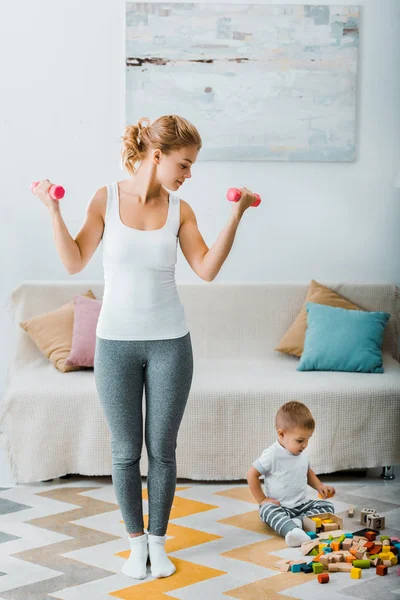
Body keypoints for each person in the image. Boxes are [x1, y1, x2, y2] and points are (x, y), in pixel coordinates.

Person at [32, 114, 258, 579]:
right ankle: (136, 546)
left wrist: (237, 215)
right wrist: (52, 210)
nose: (189, 173)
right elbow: (74, 262)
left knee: (163, 449)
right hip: (115, 343)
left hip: (170, 344)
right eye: (185, 163)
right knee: (124, 450)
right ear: (158, 156)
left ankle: (160, 542)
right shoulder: (106, 199)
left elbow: (207, 269)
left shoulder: (181, 210)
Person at [246, 400, 336, 547]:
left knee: (328, 506)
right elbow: (252, 474)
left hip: (302, 505)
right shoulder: (272, 454)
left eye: (308, 439)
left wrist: (319, 486)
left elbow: (307, 472)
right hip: (279, 506)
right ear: (281, 434)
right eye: (300, 440)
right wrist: (262, 499)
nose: (305, 445)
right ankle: (291, 532)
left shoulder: (301, 452)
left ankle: (296, 522)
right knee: (266, 511)